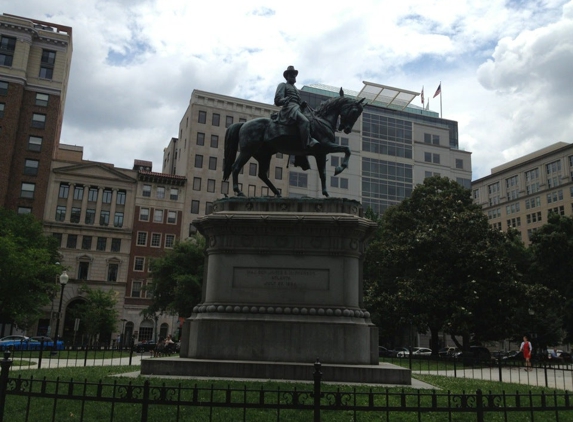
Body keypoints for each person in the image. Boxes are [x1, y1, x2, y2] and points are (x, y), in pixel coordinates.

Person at [274, 65, 319, 150]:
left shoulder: (295, 88)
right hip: (289, 109)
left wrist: (302, 105)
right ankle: (308, 142)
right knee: (305, 121)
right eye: (291, 74)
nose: (294, 76)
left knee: (312, 120)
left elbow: (298, 102)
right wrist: (285, 99)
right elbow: (277, 100)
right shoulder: (283, 85)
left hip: (297, 109)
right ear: (287, 76)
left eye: (294, 74)